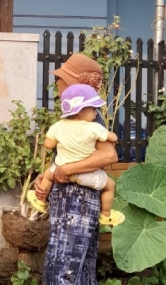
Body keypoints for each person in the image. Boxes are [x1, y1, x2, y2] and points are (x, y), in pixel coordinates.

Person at [33, 52, 118, 285]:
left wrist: (66, 169)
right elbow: (68, 154)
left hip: (77, 200)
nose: (57, 83)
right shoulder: (76, 117)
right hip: (74, 197)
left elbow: (109, 154)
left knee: (62, 271)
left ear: (75, 85)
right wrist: (48, 176)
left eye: (61, 79)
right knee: (79, 271)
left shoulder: (90, 117)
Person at [29, 84, 124, 226]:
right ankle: (105, 215)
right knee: (110, 185)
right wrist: (111, 137)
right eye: (93, 109)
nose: (96, 113)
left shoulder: (59, 125)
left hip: (59, 170)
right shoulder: (93, 127)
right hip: (86, 176)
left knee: (48, 175)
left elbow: (48, 144)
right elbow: (113, 138)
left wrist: (65, 165)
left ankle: (40, 201)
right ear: (80, 111)